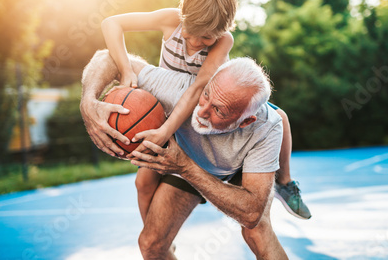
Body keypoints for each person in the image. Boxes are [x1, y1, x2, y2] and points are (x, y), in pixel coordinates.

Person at [99, 0, 310, 220]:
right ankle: (155, 247)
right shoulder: (170, 19)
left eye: (206, 37)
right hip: (172, 108)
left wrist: (164, 132)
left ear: (223, 30)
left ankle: (284, 183)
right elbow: (111, 23)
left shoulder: (223, 41)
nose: (197, 42)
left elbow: (198, 88)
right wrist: (125, 70)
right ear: (183, 14)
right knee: (143, 183)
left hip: (205, 110)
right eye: (190, 32)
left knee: (280, 118)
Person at [80, 50, 289, 259]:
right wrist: (88, 101)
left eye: (219, 110)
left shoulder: (266, 127)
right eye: (206, 94)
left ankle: (287, 185)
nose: (202, 110)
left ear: (245, 121)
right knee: (151, 244)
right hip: (187, 159)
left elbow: (251, 213)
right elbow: (107, 56)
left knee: (258, 233)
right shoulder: (180, 88)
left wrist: (185, 167)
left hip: (232, 168)